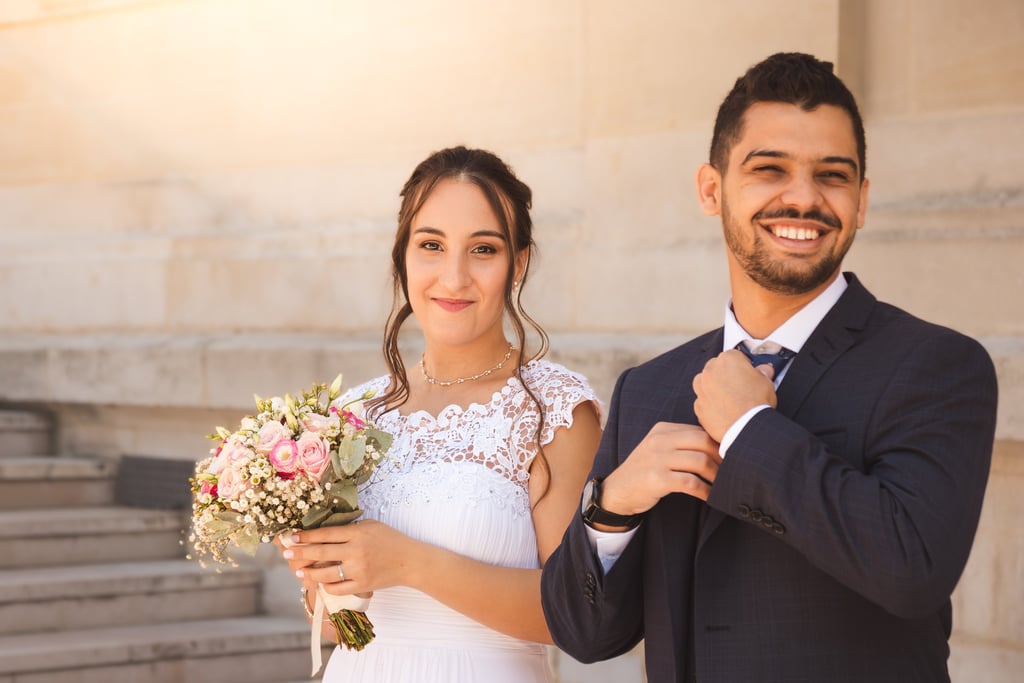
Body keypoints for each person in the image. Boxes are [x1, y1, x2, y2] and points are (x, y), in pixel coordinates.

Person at [540, 52, 998, 683]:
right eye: (770, 169)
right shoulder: (648, 390)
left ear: (862, 200)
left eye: (832, 176)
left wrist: (751, 431)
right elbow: (584, 635)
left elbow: (912, 568)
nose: (804, 198)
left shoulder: (938, 367)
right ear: (711, 188)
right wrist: (612, 507)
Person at [277, 145, 603, 682]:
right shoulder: (349, 415)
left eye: (483, 250)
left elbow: (577, 613)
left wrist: (406, 561)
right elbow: (339, 624)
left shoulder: (555, 409)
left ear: (518, 263)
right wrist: (322, 577)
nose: (453, 279)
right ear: (403, 256)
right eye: (431, 245)